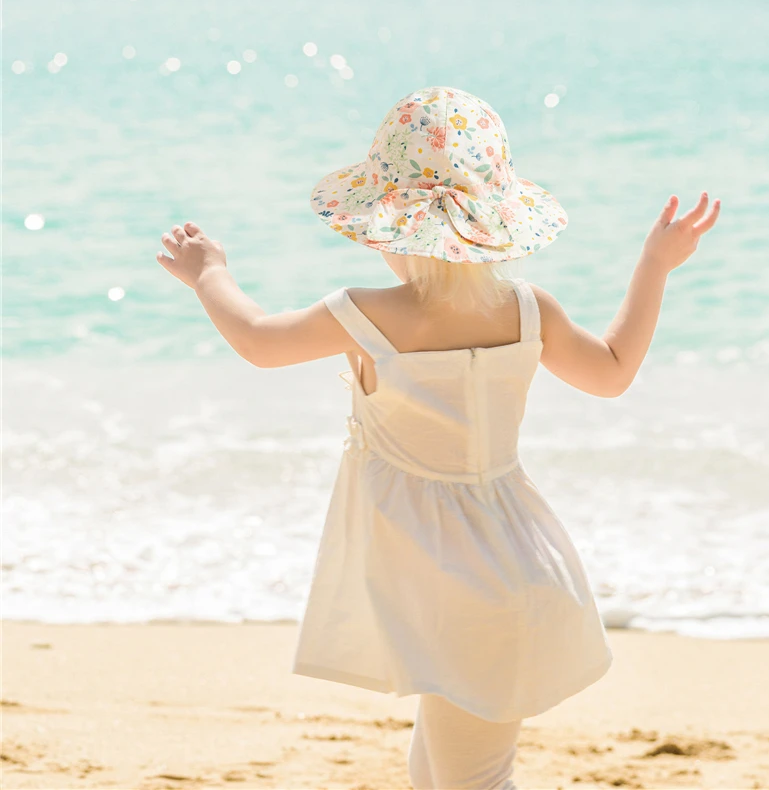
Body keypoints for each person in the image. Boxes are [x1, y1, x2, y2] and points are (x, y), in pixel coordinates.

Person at [156, 86, 721, 790]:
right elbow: (610, 373)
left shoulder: (365, 313)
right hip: (507, 573)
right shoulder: (524, 308)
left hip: (459, 595)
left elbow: (257, 341)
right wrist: (655, 267)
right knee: (440, 772)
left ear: (392, 226)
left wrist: (210, 274)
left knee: (467, 781)